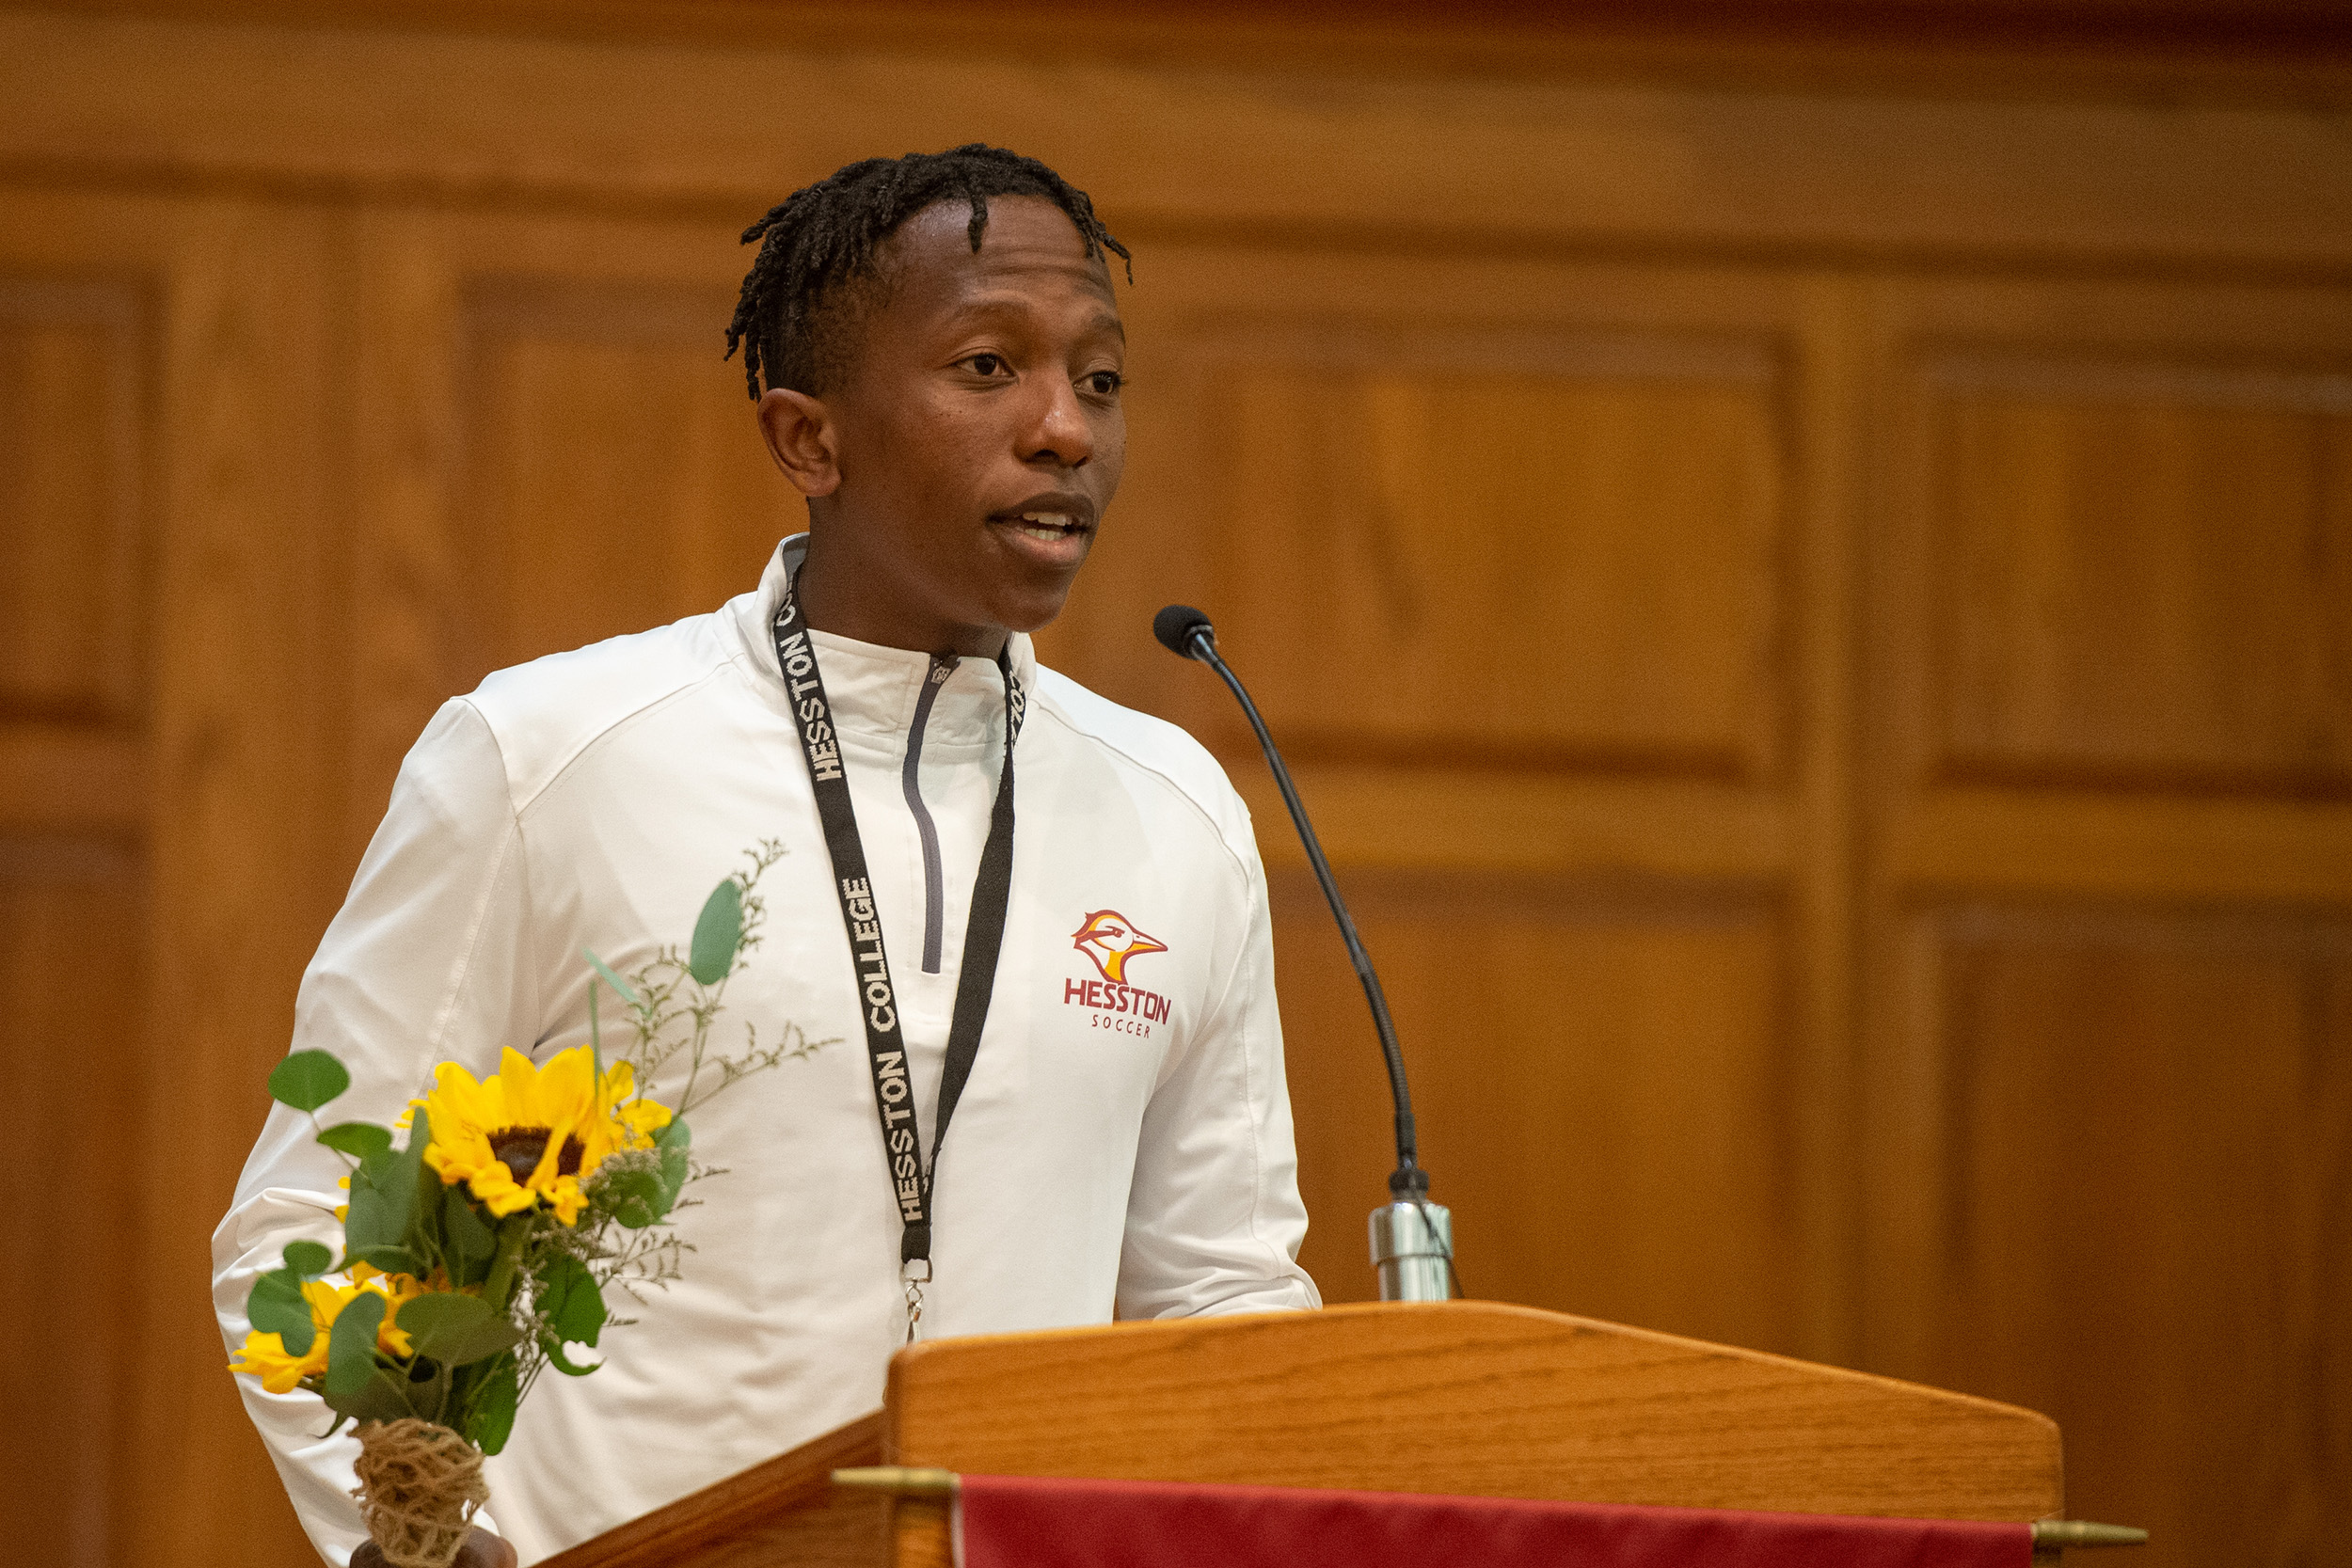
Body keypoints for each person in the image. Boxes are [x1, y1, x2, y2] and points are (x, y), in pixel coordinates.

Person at [213, 145, 1320, 1567]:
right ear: (809, 439)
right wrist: (438, 1542)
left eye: (1100, 380)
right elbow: (305, 1234)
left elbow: (1219, 1293)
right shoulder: (550, 757)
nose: (1065, 429)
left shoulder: (1177, 806)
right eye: (990, 367)